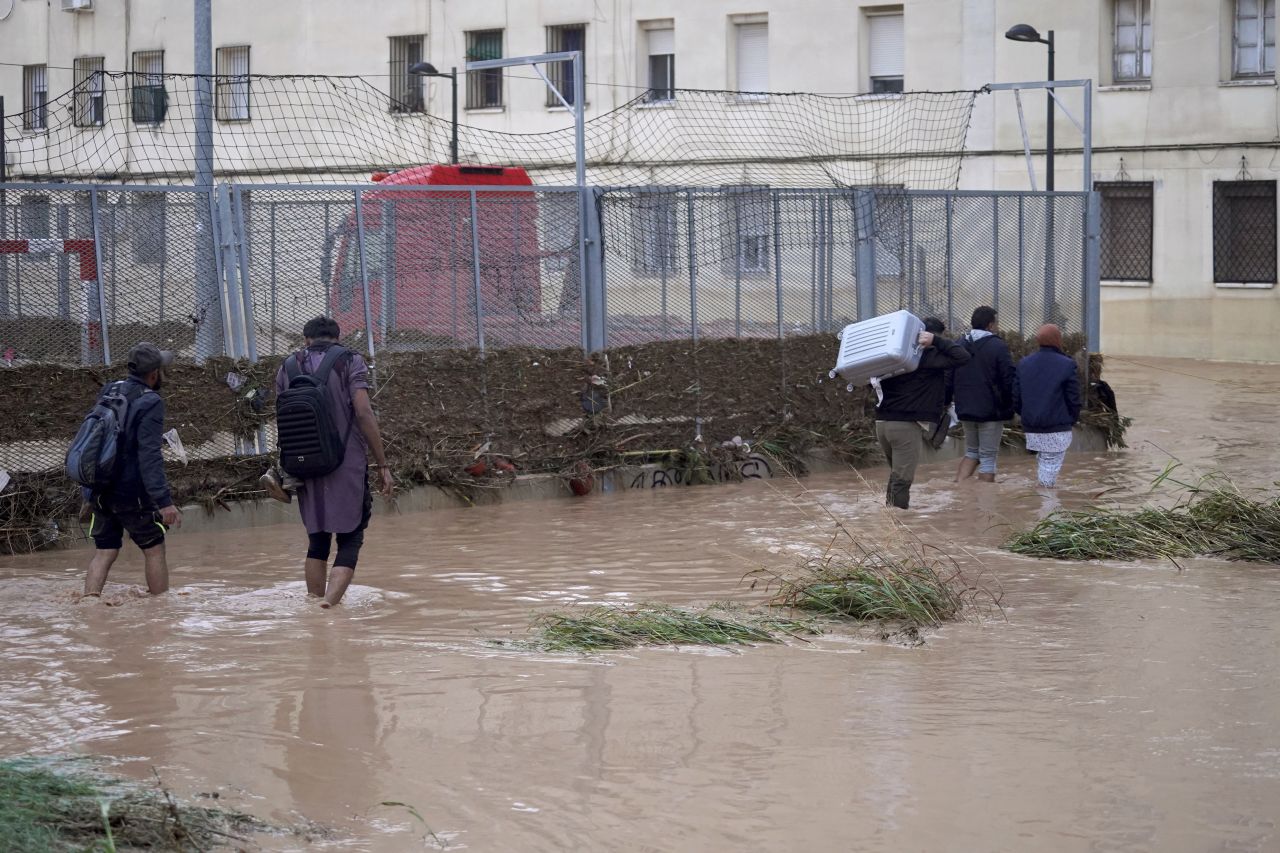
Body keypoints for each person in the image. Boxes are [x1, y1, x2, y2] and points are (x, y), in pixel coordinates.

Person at [267, 317, 393, 608]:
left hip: (303, 463)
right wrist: (383, 465)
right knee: (351, 537)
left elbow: (282, 418)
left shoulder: (287, 366)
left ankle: (313, 601)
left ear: (306, 339)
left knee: (318, 539)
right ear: (337, 337)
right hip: (345, 462)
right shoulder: (350, 361)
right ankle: (330, 604)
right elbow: (363, 412)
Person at [82, 342, 183, 599]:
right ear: (153, 374)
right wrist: (164, 502)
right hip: (131, 493)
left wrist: (88, 493)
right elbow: (149, 455)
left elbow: (94, 442)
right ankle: (161, 611)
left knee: (105, 551)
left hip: (101, 489)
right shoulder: (151, 402)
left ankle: (90, 605)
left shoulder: (110, 390)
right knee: (154, 548)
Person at [874, 317, 970, 509]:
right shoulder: (924, 356)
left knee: (896, 474)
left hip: (882, 423)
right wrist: (936, 342)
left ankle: (888, 518)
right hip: (905, 426)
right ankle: (898, 526)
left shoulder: (891, 355)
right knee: (902, 479)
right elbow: (963, 357)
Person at [952, 306, 1015, 483]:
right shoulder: (998, 346)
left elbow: (949, 375)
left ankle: (960, 489)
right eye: (996, 323)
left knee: (972, 452)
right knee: (988, 456)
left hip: (965, 408)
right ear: (990, 325)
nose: (997, 326)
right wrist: (1011, 404)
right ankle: (985, 502)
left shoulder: (959, 344)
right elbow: (1007, 378)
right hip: (990, 410)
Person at [1014, 323, 1081, 489]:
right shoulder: (1067, 364)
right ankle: (1046, 508)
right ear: (1058, 339)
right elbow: (1073, 397)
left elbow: (1016, 395)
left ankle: (1039, 503)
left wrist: (1025, 414)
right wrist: (1071, 419)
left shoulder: (1024, 363)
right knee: (1049, 468)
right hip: (1057, 427)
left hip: (1032, 427)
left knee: (1044, 462)